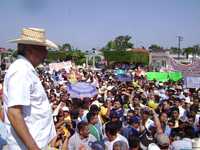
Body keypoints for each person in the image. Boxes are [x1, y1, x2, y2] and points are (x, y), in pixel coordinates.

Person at [3, 27, 58, 150]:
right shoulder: (21, 70)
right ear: (30, 50)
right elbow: (14, 113)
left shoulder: (25, 69)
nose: (46, 53)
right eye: (43, 49)